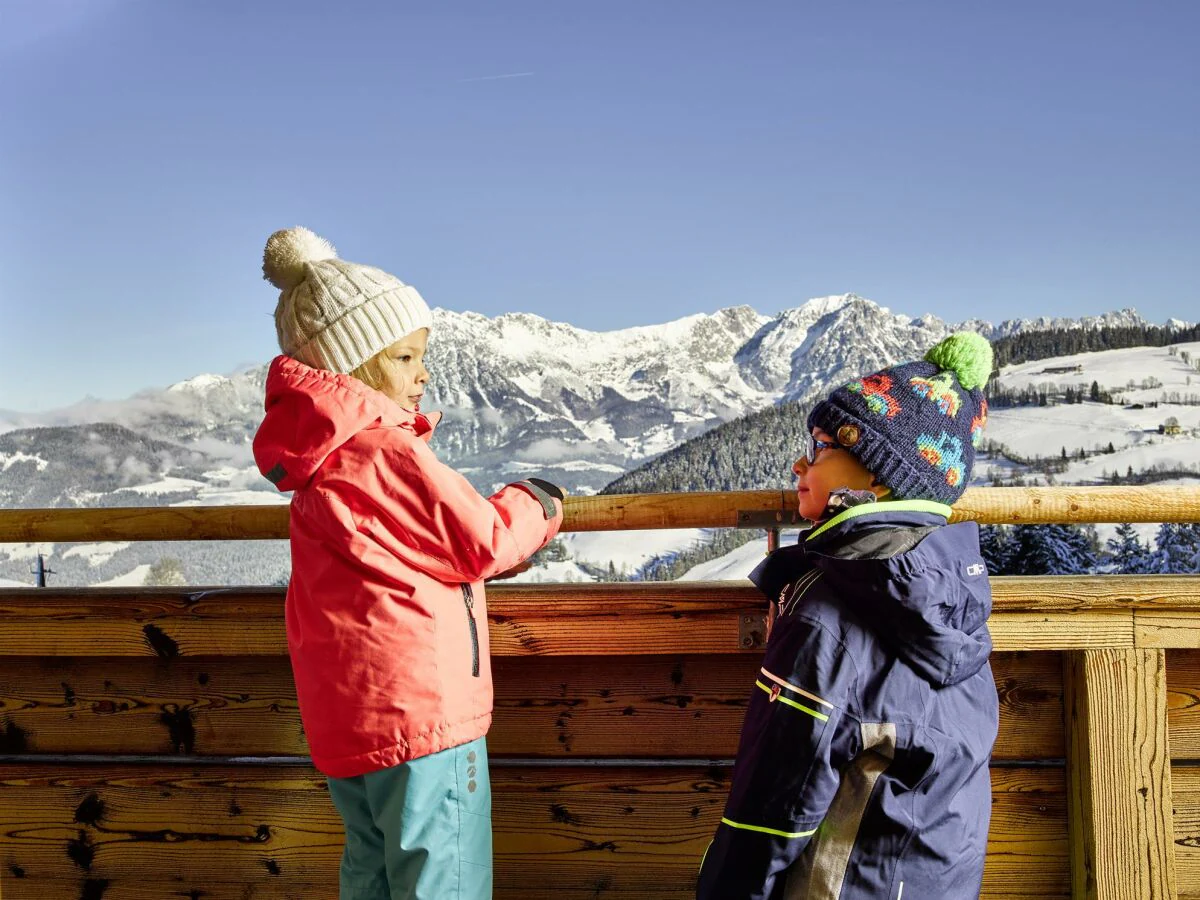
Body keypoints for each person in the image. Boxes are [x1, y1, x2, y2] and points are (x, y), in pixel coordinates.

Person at [252, 226, 564, 900]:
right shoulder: (381, 451)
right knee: (442, 879)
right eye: (404, 357)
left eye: (422, 356)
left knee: (372, 874)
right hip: (421, 715)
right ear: (353, 366)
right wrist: (538, 503)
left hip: (350, 719)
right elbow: (481, 539)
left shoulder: (317, 460)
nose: (423, 374)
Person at [696, 332, 999, 900]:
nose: (798, 464)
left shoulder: (826, 615)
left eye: (818, 448)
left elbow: (772, 807)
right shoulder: (957, 597)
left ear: (879, 476)